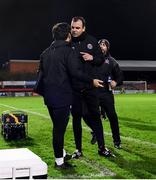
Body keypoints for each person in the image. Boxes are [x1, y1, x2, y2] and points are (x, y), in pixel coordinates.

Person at [35, 22, 104, 169]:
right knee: (59, 131)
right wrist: (91, 80)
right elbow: (76, 73)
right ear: (68, 36)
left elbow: (40, 75)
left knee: (57, 127)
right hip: (62, 98)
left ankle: (62, 153)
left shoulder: (45, 52)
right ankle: (59, 162)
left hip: (49, 98)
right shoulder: (68, 51)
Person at [70, 16, 113, 158]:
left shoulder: (92, 41)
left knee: (95, 117)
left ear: (83, 28)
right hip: (75, 89)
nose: (74, 30)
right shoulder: (68, 41)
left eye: (77, 28)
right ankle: (78, 150)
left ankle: (102, 148)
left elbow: (102, 59)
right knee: (76, 118)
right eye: (73, 27)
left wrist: (92, 58)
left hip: (91, 87)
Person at [91, 39, 123, 149]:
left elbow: (119, 76)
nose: (101, 47)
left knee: (112, 117)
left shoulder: (112, 61)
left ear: (107, 48)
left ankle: (117, 140)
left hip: (106, 93)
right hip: (93, 92)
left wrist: (116, 82)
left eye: (104, 45)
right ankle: (96, 134)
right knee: (93, 116)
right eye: (100, 45)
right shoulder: (91, 59)